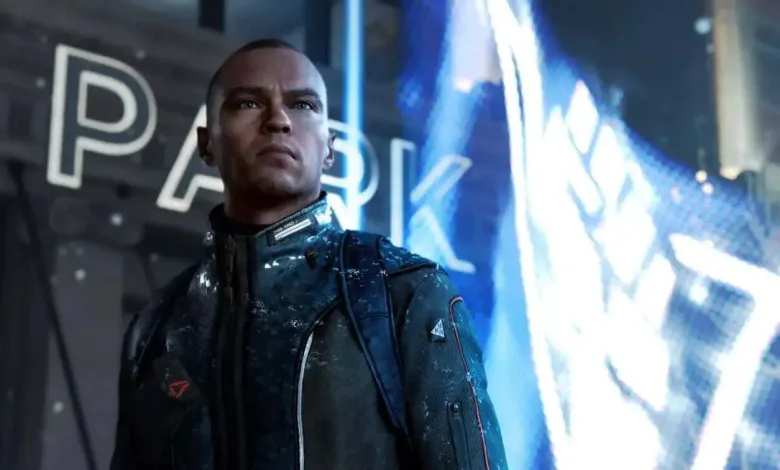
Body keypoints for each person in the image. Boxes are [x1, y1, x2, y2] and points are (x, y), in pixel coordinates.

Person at [110, 38, 507, 470]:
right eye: (248, 103)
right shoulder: (158, 324)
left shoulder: (403, 292)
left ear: (330, 146)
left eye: (302, 106)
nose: (278, 120)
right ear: (207, 144)